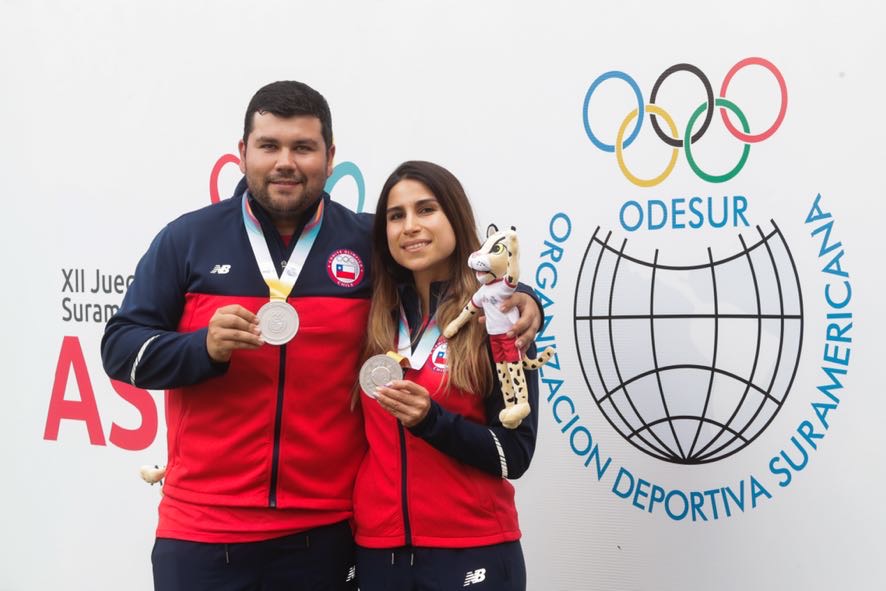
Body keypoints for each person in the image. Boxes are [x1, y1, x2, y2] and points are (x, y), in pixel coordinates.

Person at [101, 82, 541, 591]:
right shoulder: (188, 240)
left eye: (303, 147)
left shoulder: (370, 244)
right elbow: (120, 348)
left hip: (325, 535)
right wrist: (201, 347)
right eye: (269, 146)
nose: (285, 161)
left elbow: (455, 278)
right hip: (203, 530)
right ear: (242, 153)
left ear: (330, 157)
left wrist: (526, 300)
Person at [354, 161, 539, 591]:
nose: (410, 226)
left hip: (473, 548)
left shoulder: (498, 316)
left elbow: (516, 453)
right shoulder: (371, 315)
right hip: (378, 551)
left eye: (426, 209)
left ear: (455, 218)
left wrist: (431, 422)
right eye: (396, 216)